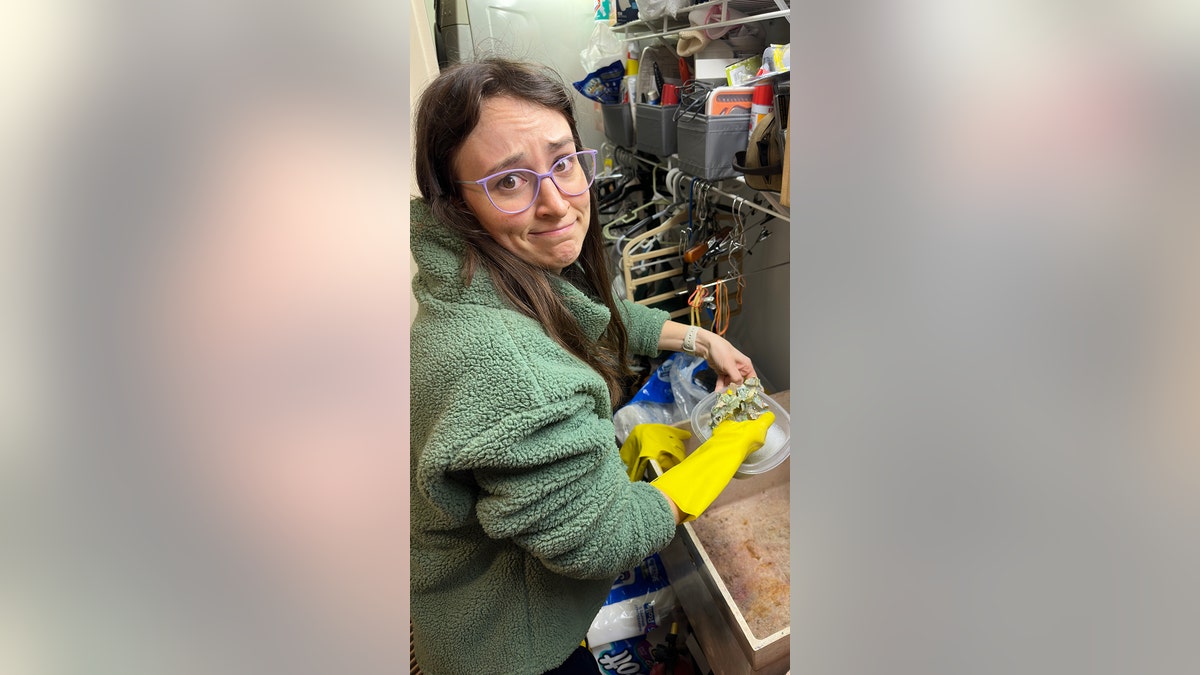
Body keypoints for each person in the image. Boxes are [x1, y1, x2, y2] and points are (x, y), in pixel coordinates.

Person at [409, 57, 774, 674]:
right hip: (505, 650)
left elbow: (595, 316)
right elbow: (610, 538)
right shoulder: (511, 371)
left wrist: (700, 341)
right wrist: (724, 449)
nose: (556, 203)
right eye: (508, 181)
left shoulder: (481, 279)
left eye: (563, 161)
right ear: (455, 204)